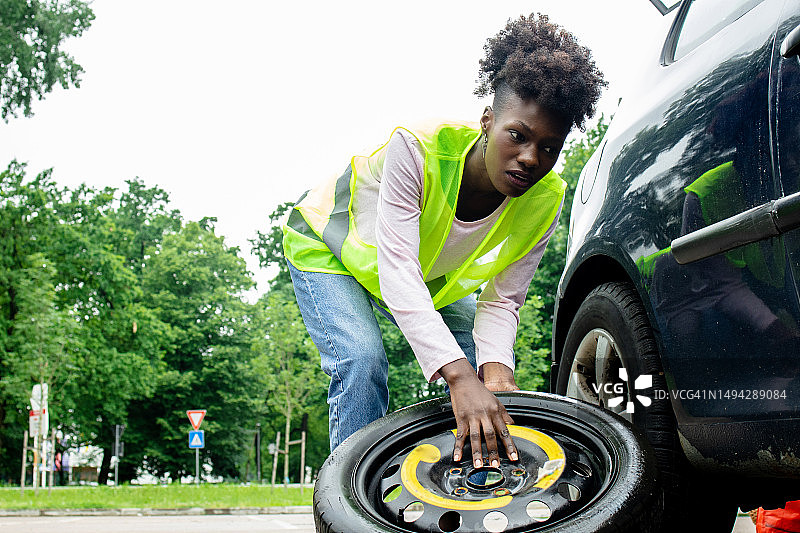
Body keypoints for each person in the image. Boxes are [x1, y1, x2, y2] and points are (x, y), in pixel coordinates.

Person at [282, 13, 605, 467]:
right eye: (517, 135)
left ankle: (471, 485)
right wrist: (458, 379)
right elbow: (397, 272)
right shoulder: (415, 148)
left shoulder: (545, 199)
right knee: (362, 360)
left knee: (479, 369)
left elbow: (502, 301)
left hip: (418, 271)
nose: (531, 158)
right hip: (330, 246)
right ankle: (347, 504)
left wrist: (496, 375)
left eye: (550, 147)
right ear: (487, 121)